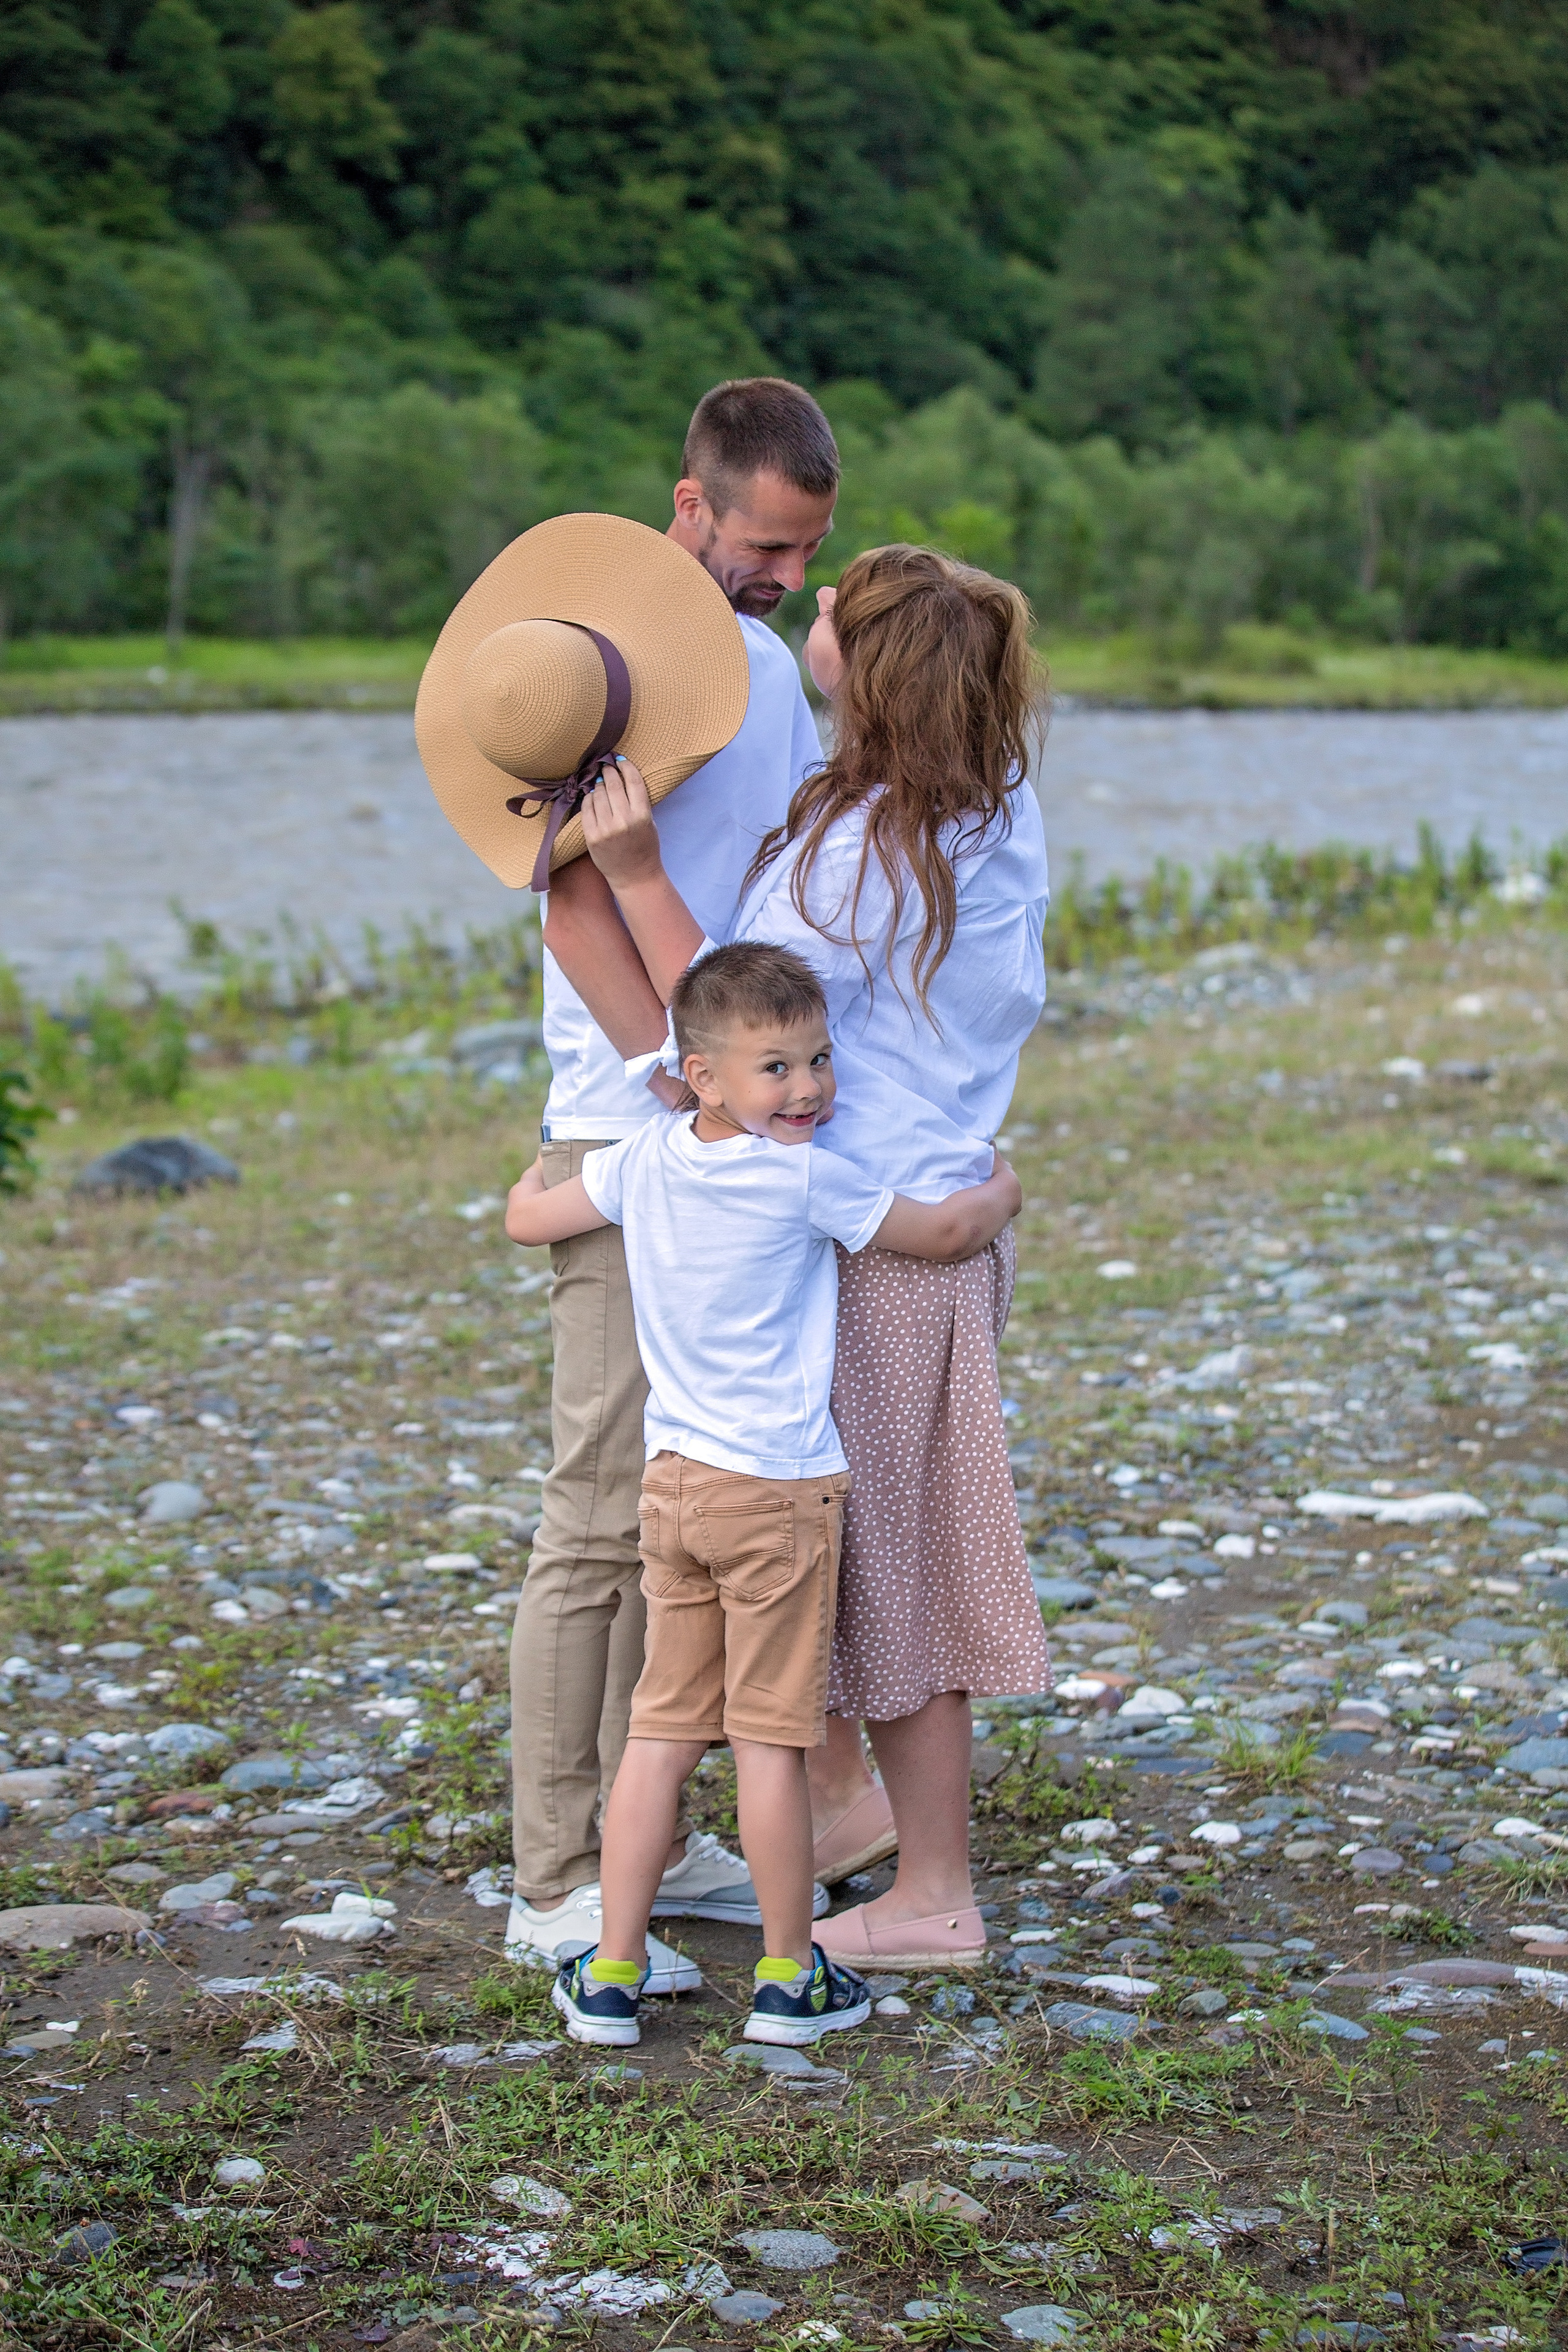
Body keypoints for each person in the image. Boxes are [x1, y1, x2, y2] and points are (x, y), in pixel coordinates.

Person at [568, 543, 1054, 1967]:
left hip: (877, 1238)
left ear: (870, 671)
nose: (816, 608)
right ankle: (847, 1815)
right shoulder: (992, 812)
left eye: (838, 603)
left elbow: (717, 1004)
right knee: (871, 1541)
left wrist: (633, 866)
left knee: (890, 1559)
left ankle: (935, 1896)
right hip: (937, 1218)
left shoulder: (858, 853)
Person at [503, 942, 1022, 2045]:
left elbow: (525, 1218)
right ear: (702, 1076)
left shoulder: (641, 1161)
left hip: (674, 1493)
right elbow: (936, 1236)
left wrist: (541, 1163)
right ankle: (792, 1978)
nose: (810, 1089)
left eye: (820, 1060)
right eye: (776, 1068)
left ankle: (609, 1971)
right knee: (771, 1743)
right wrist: (1000, 1189)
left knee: (659, 1735)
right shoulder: (806, 1176)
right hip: (781, 1499)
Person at [504, 379, 841, 1988]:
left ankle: (664, 1833)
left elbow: (763, 895)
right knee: (594, 1515)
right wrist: (677, 1095)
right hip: (639, 1124)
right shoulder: (586, 664)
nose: (780, 573)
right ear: (691, 503)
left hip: (723, 1124)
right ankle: (557, 1873)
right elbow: (566, 902)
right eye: (765, 542)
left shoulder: (770, 671)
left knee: (686, 1507)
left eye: (804, 550)